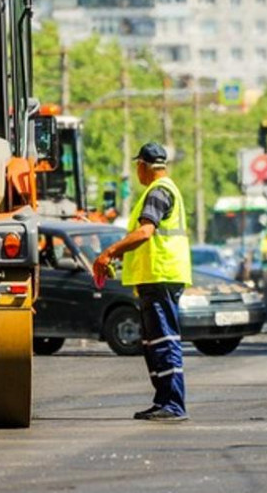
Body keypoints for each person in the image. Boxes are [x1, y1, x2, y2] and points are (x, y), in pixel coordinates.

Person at [93, 143, 193, 423]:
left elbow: (146, 231)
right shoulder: (164, 189)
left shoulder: (158, 191)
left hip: (161, 276)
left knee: (164, 341)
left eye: (138, 166)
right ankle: (163, 401)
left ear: (142, 166)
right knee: (153, 343)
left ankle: (173, 404)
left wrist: (110, 252)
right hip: (156, 277)